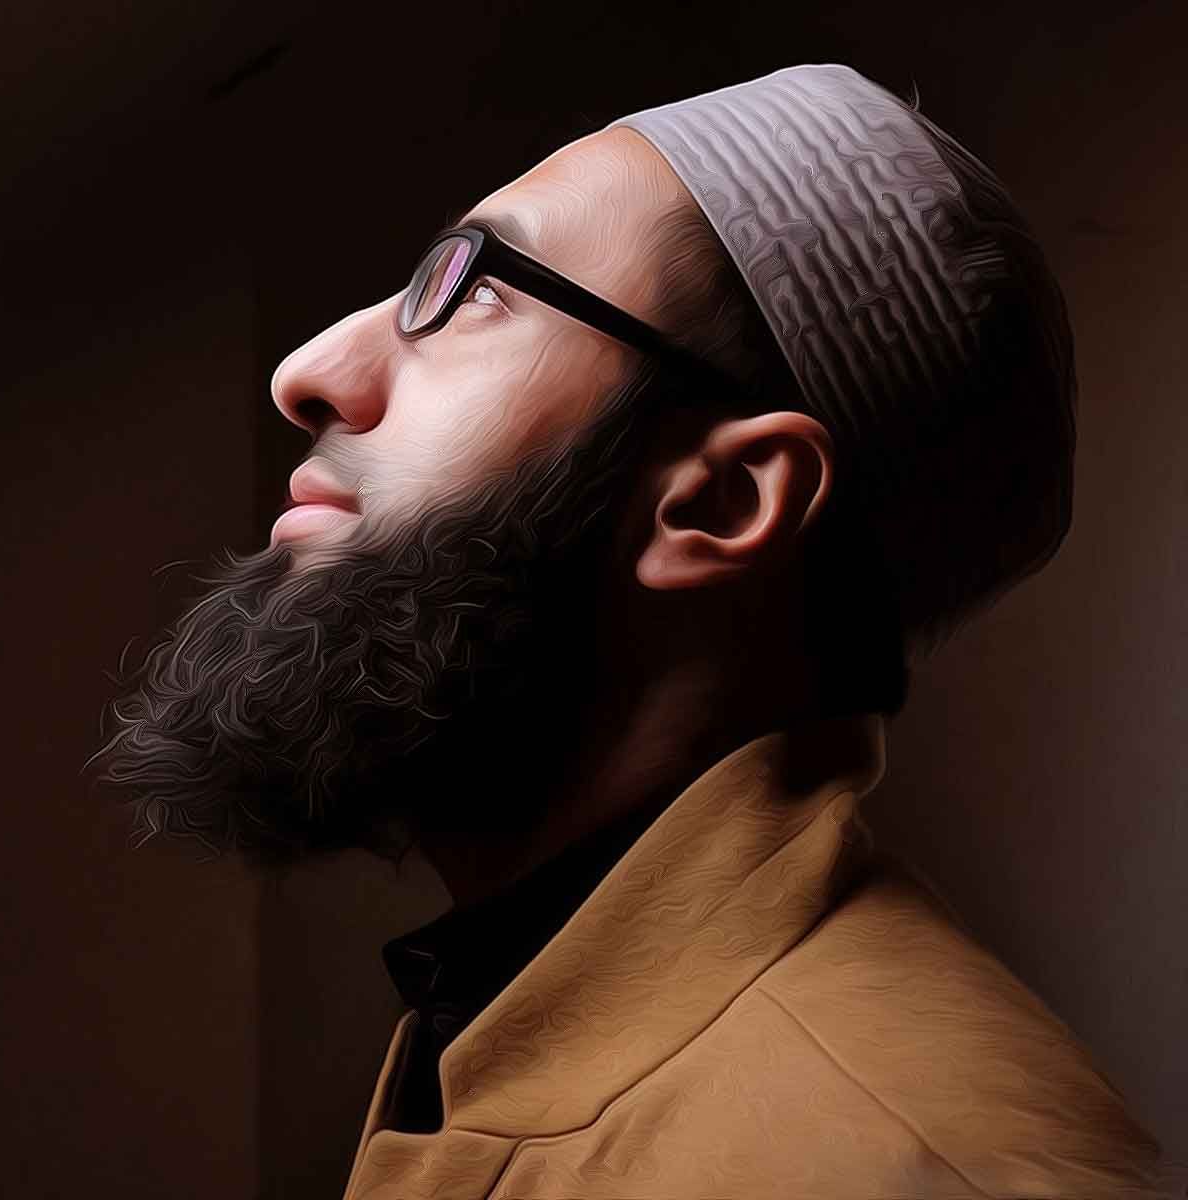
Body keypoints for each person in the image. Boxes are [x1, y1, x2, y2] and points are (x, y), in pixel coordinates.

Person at [88, 64, 1171, 1197]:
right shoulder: (492, 1020)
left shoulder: (910, 1163)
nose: (306, 372)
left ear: (722, 502)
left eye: (473, 289)